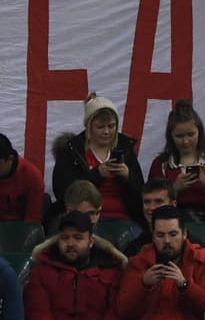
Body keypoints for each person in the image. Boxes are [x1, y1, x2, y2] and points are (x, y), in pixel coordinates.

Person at [117, 205, 205, 320]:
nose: (167, 241)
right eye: (160, 235)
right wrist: (142, 284)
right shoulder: (138, 263)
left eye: (173, 234)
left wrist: (185, 286)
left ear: (184, 234)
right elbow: (124, 312)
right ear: (152, 235)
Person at [24, 210, 127, 320]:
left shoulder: (111, 270)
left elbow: (117, 313)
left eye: (78, 238)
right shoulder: (41, 270)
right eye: (65, 237)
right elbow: (37, 312)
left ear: (91, 241)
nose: (70, 244)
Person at [52, 94, 145, 224]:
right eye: (100, 127)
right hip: (84, 219)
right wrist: (96, 175)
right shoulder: (72, 151)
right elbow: (64, 192)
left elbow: (142, 191)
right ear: (89, 127)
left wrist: (128, 175)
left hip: (125, 218)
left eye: (111, 126)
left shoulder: (125, 148)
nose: (107, 132)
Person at [147, 101, 205, 223]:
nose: (186, 141)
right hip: (170, 224)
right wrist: (174, 190)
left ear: (199, 132)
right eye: (179, 136)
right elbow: (151, 207)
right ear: (170, 136)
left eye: (191, 134)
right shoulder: (160, 164)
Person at [122, 178, 175, 257]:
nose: (152, 207)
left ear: (173, 205)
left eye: (158, 201)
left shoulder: (189, 244)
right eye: (147, 202)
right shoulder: (135, 248)